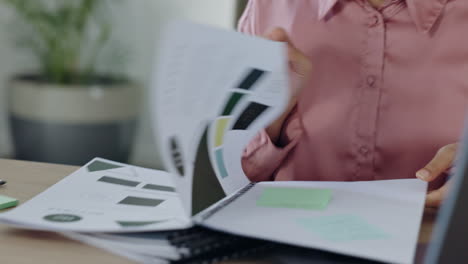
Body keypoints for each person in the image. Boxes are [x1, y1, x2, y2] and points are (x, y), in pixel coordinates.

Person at [238, 0, 468, 207]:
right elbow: (237, 179)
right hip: (277, 244)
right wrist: (273, 115)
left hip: (437, 245)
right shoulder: (267, 8)